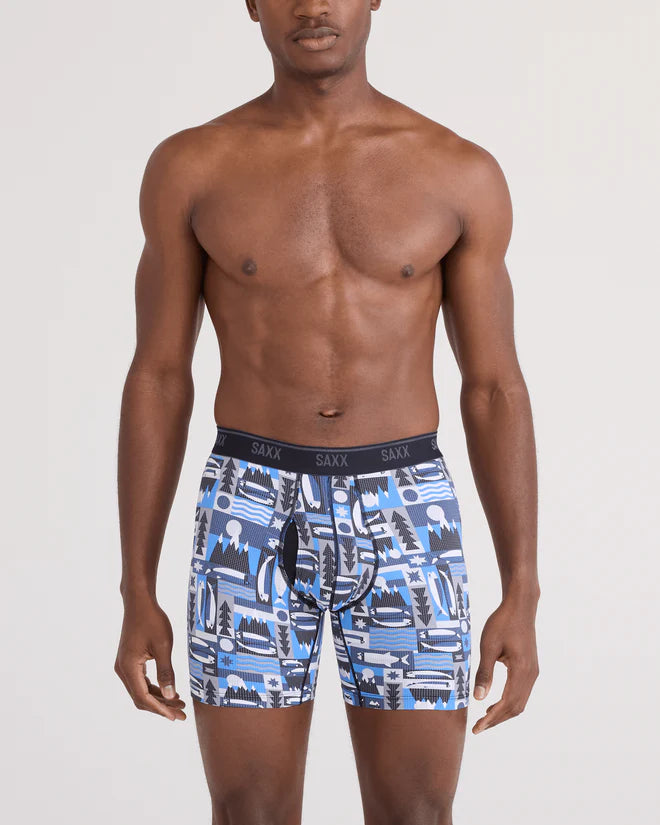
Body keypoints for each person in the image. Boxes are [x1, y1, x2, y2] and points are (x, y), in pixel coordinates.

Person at [114, 1, 540, 823]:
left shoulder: (458, 173)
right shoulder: (193, 167)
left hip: (406, 508)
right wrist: (136, 586)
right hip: (249, 502)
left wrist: (522, 587)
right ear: (250, 3)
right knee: (249, 809)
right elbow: (159, 377)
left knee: (417, 810)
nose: (313, 5)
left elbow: (494, 387)